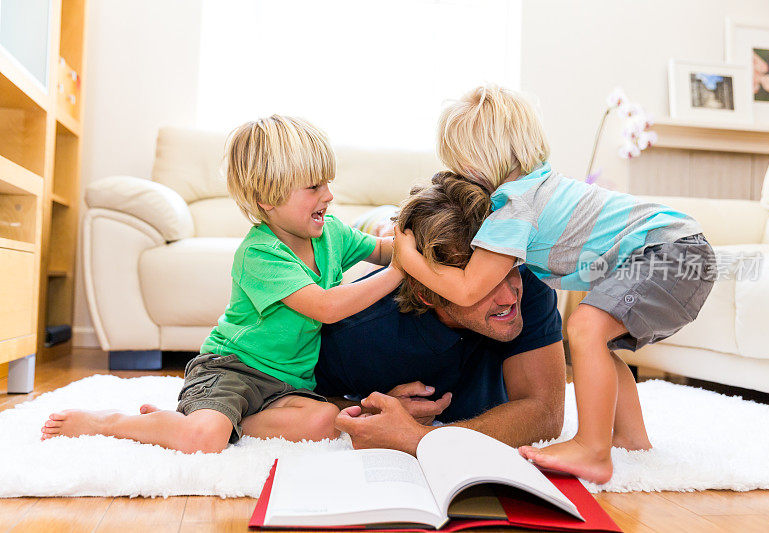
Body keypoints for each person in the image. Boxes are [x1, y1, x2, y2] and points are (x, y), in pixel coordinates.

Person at [393, 85, 716, 484]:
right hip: (682, 249)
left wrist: (407, 257)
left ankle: (593, 450)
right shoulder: (541, 184)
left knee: (584, 329)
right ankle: (629, 438)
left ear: (474, 164)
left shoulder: (515, 208)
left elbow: (466, 289)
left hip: (669, 251)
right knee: (599, 342)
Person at [41, 115, 402, 452]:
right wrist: (397, 273)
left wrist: (400, 236)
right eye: (313, 187)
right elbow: (326, 306)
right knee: (205, 440)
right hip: (232, 370)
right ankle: (110, 423)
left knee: (326, 421)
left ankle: (199, 422)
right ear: (267, 198)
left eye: (327, 182)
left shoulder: (332, 233)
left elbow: (387, 250)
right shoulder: (260, 254)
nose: (328, 195)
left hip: (289, 383)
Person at [324, 171, 566, 456]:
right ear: (428, 295)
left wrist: (420, 437)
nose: (510, 296)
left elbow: (545, 413)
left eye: (507, 268)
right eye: (483, 286)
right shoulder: (355, 332)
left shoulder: (530, 278)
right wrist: (368, 406)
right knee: (382, 229)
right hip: (371, 253)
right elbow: (294, 397)